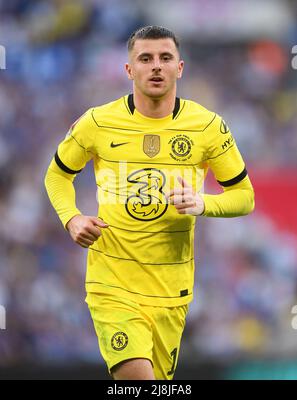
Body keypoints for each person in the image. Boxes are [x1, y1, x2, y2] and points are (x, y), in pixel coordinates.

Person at [44, 25, 255, 380]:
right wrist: (72, 218)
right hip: (112, 284)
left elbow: (244, 197)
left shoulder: (207, 127)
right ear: (130, 70)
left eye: (165, 58)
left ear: (180, 67)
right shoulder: (97, 122)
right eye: (145, 58)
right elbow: (57, 175)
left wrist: (203, 203)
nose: (156, 66)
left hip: (172, 290)